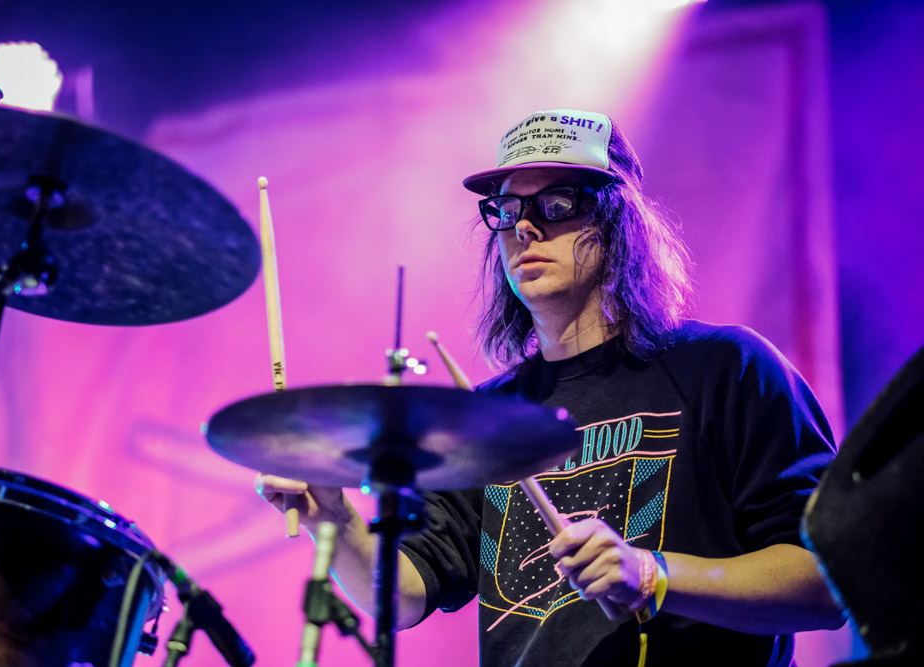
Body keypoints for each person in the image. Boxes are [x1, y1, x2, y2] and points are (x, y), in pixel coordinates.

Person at [256, 109, 844, 665]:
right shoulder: (484, 415)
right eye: (508, 209)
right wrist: (328, 516)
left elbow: (828, 582)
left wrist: (652, 574)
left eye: (557, 203)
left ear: (618, 221)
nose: (526, 227)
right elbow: (405, 595)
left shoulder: (726, 367)